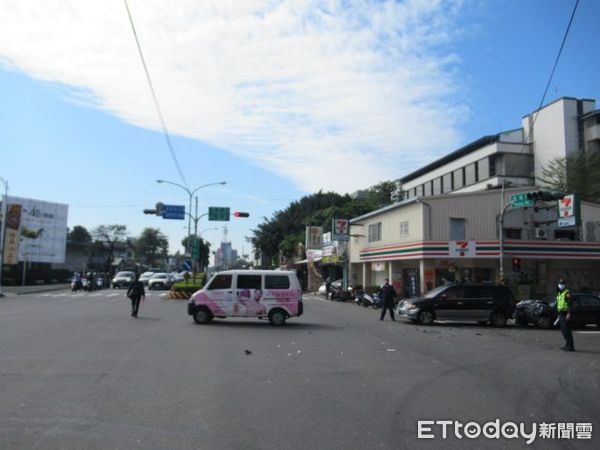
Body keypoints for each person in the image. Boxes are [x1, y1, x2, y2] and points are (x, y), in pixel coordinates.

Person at [556, 278, 575, 351]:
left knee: (567, 331)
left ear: (565, 285)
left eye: (562, 284)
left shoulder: (567, 293)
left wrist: (569, 313)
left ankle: (570, 346)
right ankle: (567, 345)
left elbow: (570, 304)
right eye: (560, 284)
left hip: (565, 314)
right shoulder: (559, 293)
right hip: (561, 314)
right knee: (564, 330)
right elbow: (559, 304)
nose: (561, 285)